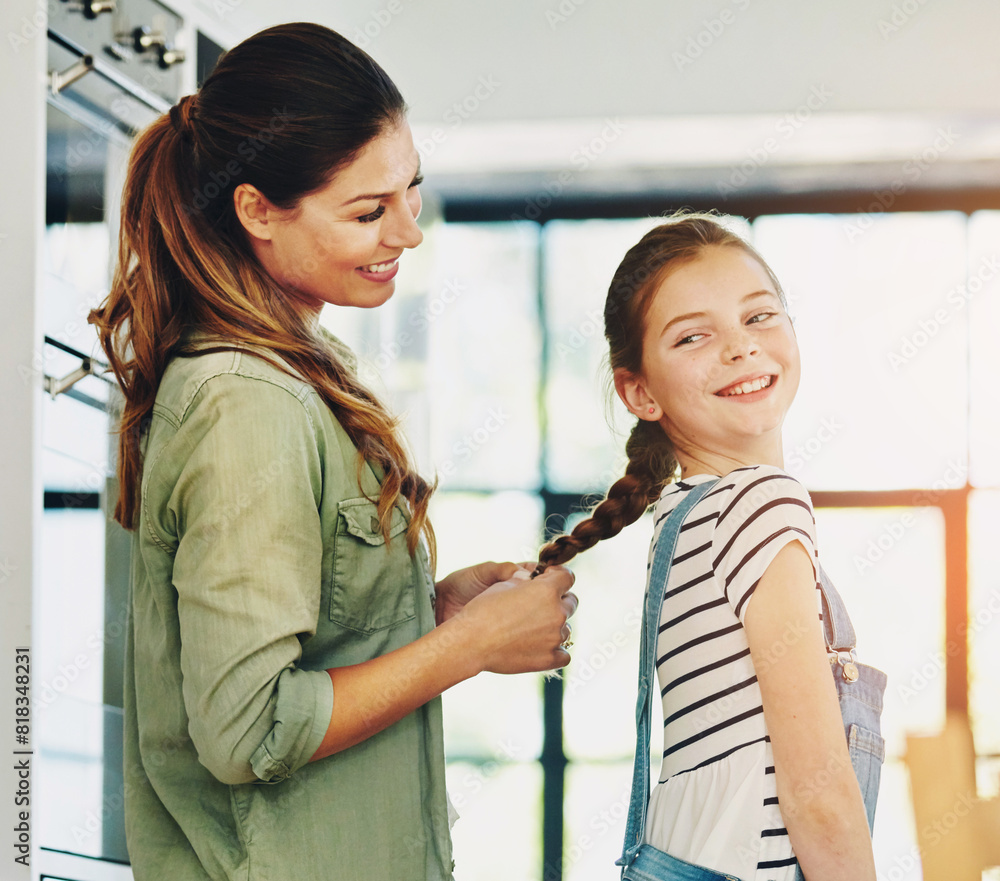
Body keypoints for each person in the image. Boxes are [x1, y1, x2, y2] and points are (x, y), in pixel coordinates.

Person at [88, 22, 577, 881]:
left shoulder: (299, 375)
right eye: (367, 212)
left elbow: (306, 642)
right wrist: (465, 650)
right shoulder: (246, 403)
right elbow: (250, 728)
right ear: (257, 212)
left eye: (410, 194)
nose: (408, 233)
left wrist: (432, 613)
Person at [534, 214, 884, 881]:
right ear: (638, 390)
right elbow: (819, 794)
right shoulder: (761, 503)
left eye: (759, 317)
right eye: (694, 335)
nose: (740, 348)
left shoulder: (682, 516)